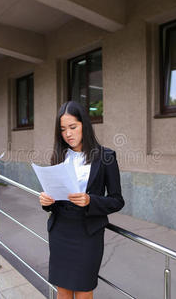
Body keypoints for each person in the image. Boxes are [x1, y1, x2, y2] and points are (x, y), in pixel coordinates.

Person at [39, 101, 125, 299]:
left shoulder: (106, 157)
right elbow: (55, 198)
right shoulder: (59, 156)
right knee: (62, 289)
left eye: (72, 127)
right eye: (62, 129)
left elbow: (117, 200)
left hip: (88, 233)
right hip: (61, 230)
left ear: (84, 125)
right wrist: (46, 201)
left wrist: (90, 201)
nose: (68, 134)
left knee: (84, 290)